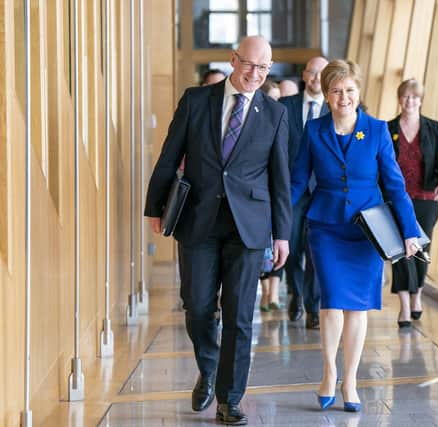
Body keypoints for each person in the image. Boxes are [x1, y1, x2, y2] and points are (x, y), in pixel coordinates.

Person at [144, 36, 291, 426]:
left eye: (263, 68)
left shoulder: (275, 114)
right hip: (198, 222)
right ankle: (209, 366)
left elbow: (281, 179)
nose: (255, 75)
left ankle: (230, 398)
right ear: (232, 60)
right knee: (197, 306)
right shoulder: (196, 101)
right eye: (248, 65)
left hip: (249, 227)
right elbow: (169, 156)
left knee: (240, 315)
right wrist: (155, 207)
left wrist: (282, 234)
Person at [290, 59, 421, 412]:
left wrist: (410, 232)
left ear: (358, 92)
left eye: (349, 90)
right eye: (336, 91)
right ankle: (329, 371)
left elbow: (395, 187)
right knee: (331, 302)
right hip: (327, 228)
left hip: (367, 233)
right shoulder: (314, 131)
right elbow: (299, 181)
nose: (343, 97)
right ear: (327, 94)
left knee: (358, 309)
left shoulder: (376, 131)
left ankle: (351, 380)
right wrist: (275, 220)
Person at [387, 78, 438, 328]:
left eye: (414, 97)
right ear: (399, 99)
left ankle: (417, 295)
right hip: (397, 198)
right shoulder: (388, 127)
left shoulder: (433, 128)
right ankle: (404, 305)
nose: (409, 101)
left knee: (421, 249)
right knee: (401, 251)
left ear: (421, 100)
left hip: (425, 198)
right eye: (405, 96)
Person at [279, 56, 329, 329]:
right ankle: (296, 294)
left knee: (315, 251)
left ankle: (312, 306)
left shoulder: (334, 109)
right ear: (304, 74)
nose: (316, 78)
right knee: (292, 247)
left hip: (322, 192)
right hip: (292, 191)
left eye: (322, 73)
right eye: (312, 72)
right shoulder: (285, 106)